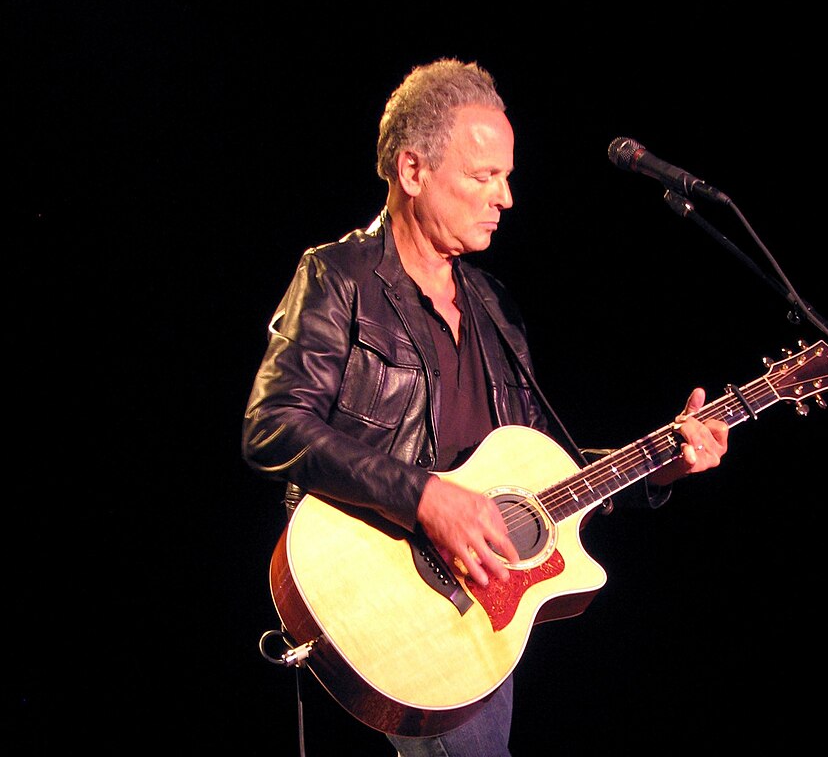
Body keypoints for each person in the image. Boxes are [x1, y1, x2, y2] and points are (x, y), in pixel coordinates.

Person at [241, 57, 729, 757]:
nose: (505, 197)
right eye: (482, 177)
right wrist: (426, 499)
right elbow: (272, 425)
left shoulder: (494, 305)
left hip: (473, 614)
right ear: (413, 172)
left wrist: (659, 468)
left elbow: (539, 474)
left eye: (505, 175)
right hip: (386, 594)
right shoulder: (339, 276)